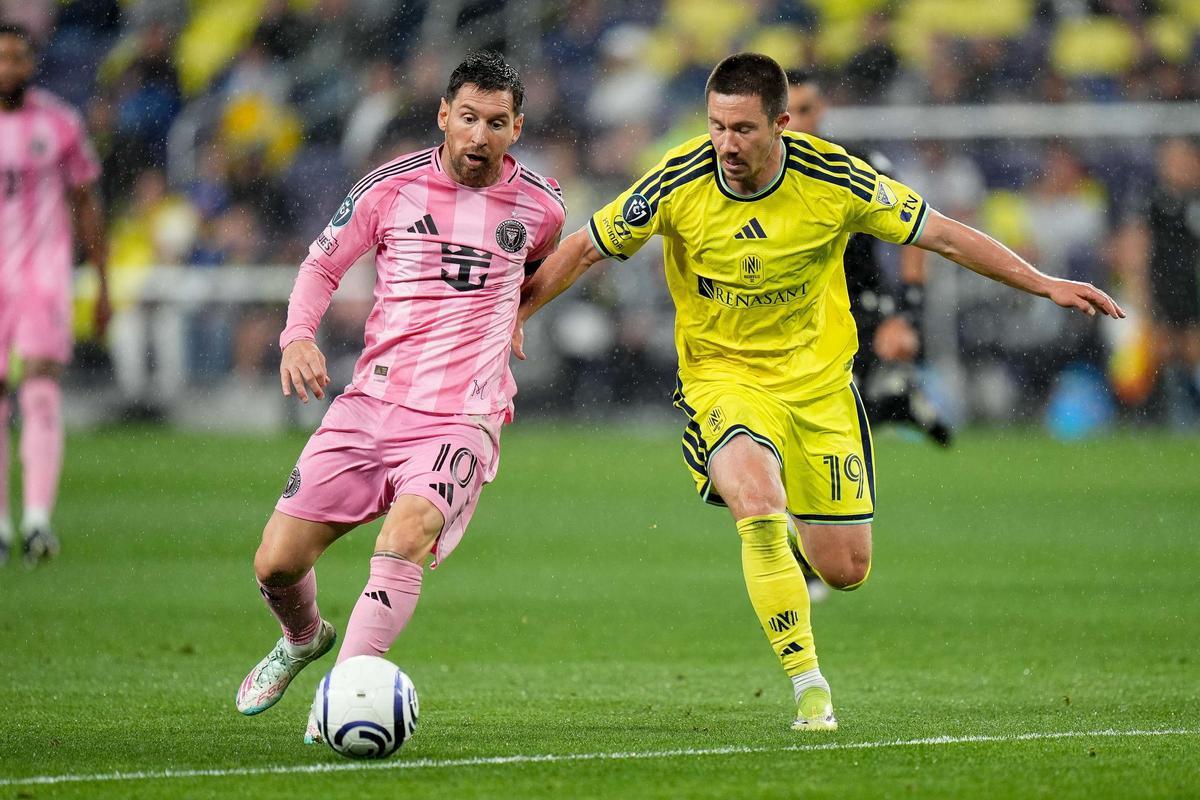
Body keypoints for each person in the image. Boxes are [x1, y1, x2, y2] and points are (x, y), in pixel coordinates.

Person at [513, 53, 1123, 732]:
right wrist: (514, 316)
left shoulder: (833, 179)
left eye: (743, 128)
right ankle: (811, 688)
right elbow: (585, 248)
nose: (726, 144)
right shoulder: (677, 181)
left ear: (781, 125)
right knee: (756, 498)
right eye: (716, 126)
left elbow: (944, 234)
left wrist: (1044, 284)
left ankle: (792, 519)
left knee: (845, 568)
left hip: (820, 387)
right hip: (724, 378)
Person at [235, 51, 565, 743]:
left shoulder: (541, 205)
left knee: (407, 532)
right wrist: (298, 336)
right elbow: (322, 262)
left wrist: (515, 316)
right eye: (468, 118)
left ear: (517, 128)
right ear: (444, 116)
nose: (479, 135)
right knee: (277, 563)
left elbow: (533, 271)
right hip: (371, 405)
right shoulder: (391, 187)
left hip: (463, 416)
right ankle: (302, 640)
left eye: (496, 123)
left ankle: (345, 691)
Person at [786, 70, 951, 449]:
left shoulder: (853, 165)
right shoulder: (748, 174)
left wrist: (906, 316)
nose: (795, 122)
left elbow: (917, 231)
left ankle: (887, 400)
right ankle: (891, 401)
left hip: (856, 310)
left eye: (804, 109)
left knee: (831, 433)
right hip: (789, 314)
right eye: (786, 111)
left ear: (822, 110)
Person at [0, 24, 108, 568]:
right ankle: (1, 524)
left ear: (32, 64)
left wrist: (103, 282)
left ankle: (37, 520)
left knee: (39, 380)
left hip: (44, 274)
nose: (10, 67)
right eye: (2, 58)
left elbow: (88, 199)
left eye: (18, 58)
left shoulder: (60, 121)